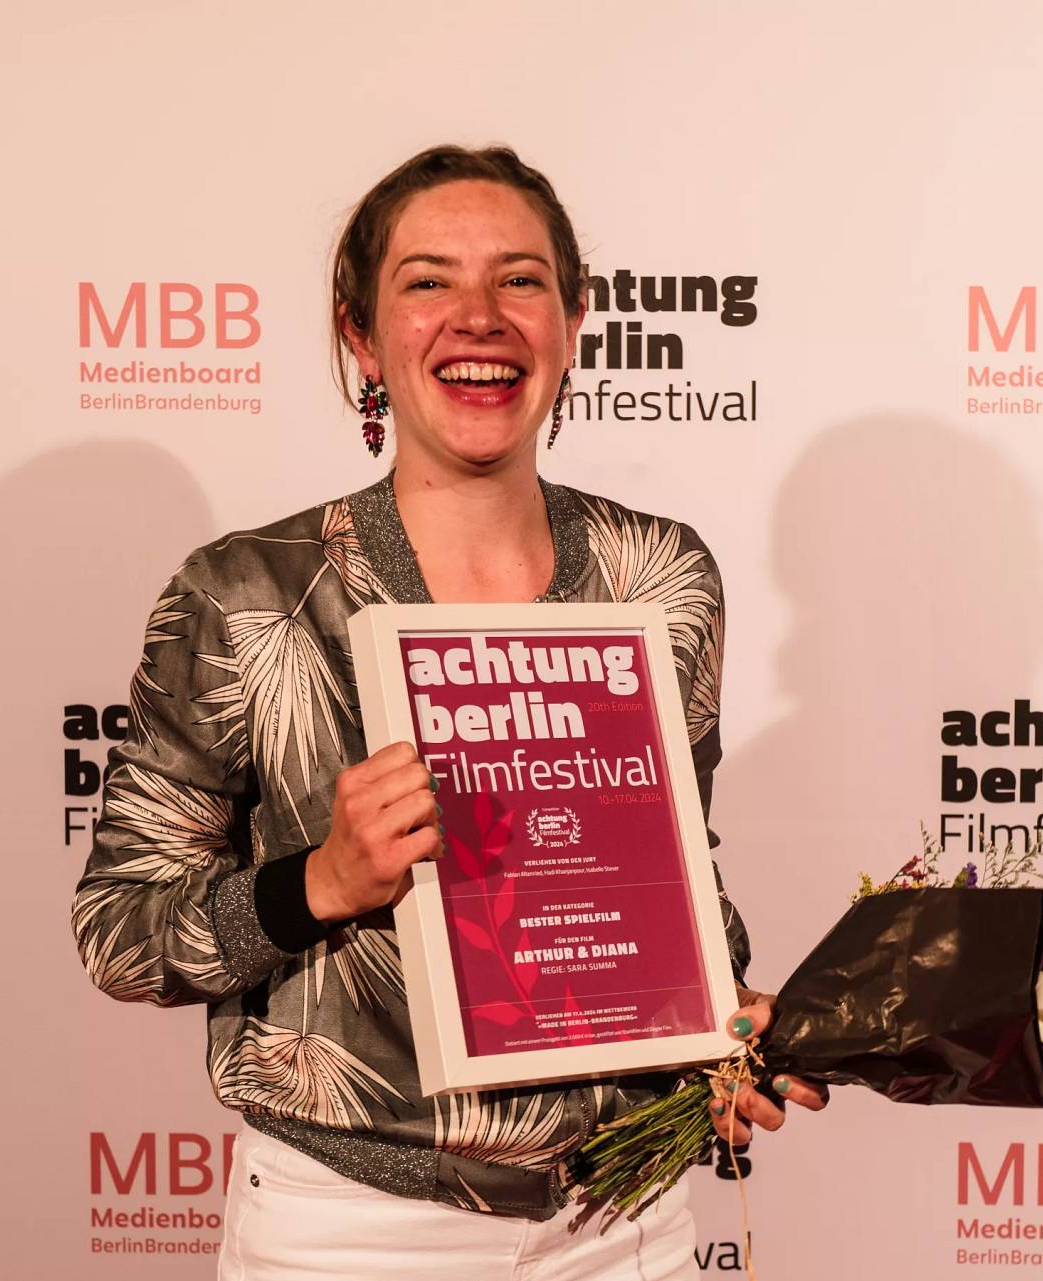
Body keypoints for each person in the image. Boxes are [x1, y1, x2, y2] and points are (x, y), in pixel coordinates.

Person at [72, 144, 825, 1280]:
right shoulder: (248, 593)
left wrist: (718, 1037)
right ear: (362, 337)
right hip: (353, 1228)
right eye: (428, 281)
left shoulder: (660, 577)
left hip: (627, 1218)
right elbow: (120, 934)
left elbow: (666, 884)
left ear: (573, 321)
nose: (479, 316)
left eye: (520, 279)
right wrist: (320, 883)